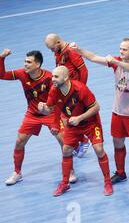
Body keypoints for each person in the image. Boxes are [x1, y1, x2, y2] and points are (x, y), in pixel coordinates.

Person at [70, 39, 129, 190]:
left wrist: (116, 63)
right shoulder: (116, 62)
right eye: (120, 49)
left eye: (124, 49)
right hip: (117, 113)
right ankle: (121, 173)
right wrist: (79, 50)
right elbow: (93, 57)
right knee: (118, 144)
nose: (121, 52)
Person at [0, 49, 76, 185]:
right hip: (32, 114)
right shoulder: (22, 74)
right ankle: (17, 173)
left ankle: (70, 171)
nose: (25, 64)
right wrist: (1, 58)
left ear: (38, 64)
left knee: (64, 142)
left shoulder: (50, 78)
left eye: (29, 62)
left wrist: (54, 121)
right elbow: (2, 75)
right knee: (19, 142)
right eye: (25, 61)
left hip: (51, 113)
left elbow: (59, 100)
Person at [38, 66, 113, 196]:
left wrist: (79, 118)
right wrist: (43, 110)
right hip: (72, 124)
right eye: (52, 76)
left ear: (66, 77)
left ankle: (107, 182)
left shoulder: (80, 88)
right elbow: (50, 109)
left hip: (90, 122)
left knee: (99, 149)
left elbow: (96, 107)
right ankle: (65, 183)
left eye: (56, 76)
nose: (53, 79)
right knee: (66, 149)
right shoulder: (54, 90)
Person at [44, 33, 90, 157]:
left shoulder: (71, 51)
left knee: (68, 118)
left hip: (74, 91)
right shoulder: (57, 52)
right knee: (65, 118)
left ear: (58, 42)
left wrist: (80, 89)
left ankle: (84, 140)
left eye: (52, 48)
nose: (52, 51)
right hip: (64, 90)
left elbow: (83, 71)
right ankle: (81, 141)